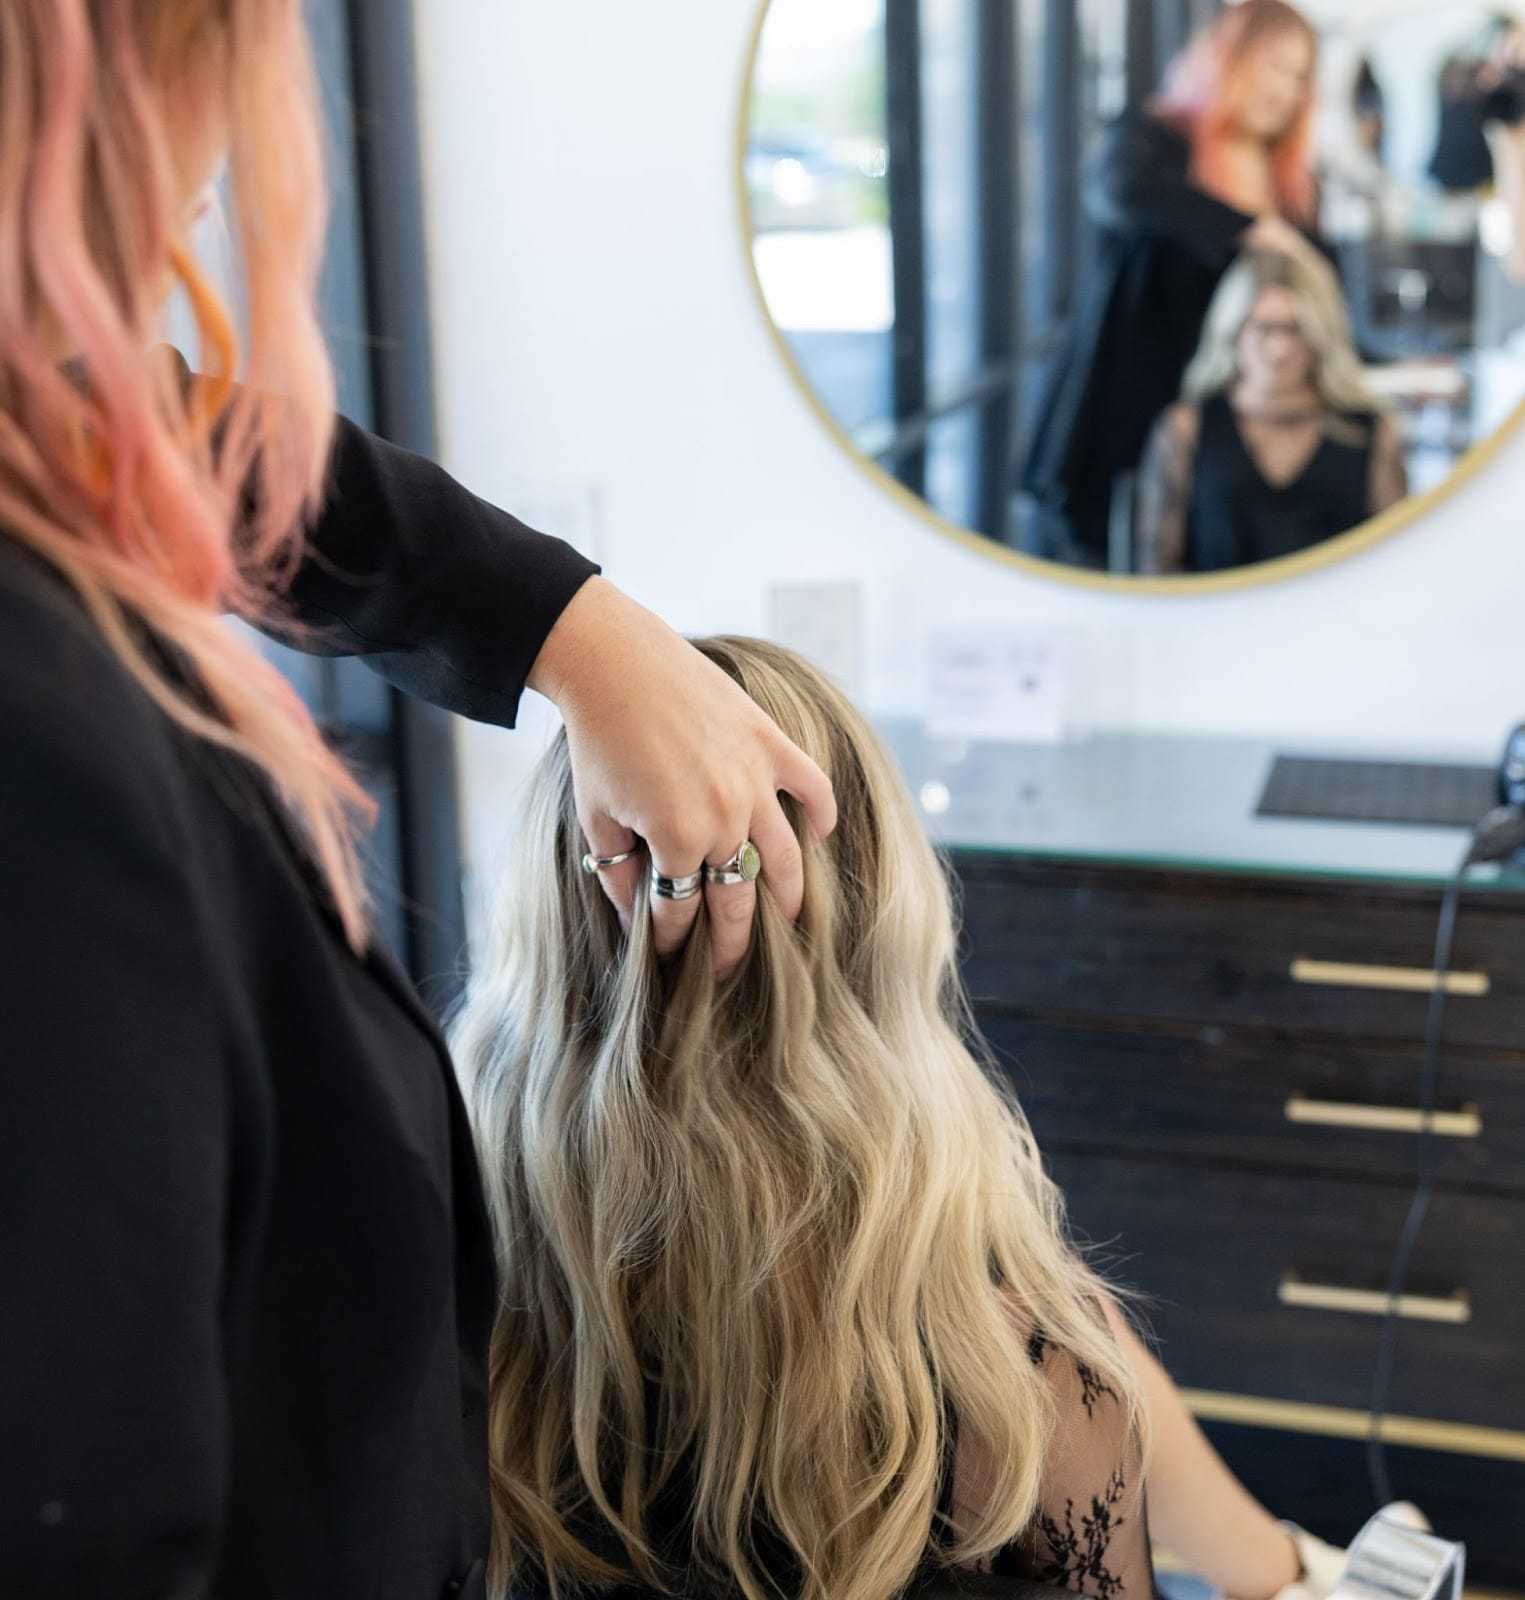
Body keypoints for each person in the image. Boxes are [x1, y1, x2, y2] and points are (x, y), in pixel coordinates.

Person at [0, 4, 834, 1596]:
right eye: (212, 74)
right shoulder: (42, 769)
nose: (218, 182)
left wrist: (572, 631)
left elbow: (146, 421)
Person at [452, 635, 1373, 1600]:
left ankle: (1291, 1577)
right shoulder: (1021, 1376)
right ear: (877, 903)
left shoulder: (432, 1253)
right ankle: (1297, 1581)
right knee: (1050, 1333)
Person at [1019, 0, 1322, 568]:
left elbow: (1311, 304)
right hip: (1126, 410)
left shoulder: (1291, 184)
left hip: (1225, 439)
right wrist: (1248, 228)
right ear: (1233, 57)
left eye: (1300, 75)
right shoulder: (1156, 140)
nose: (1287, 88)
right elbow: (1119, 192)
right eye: (1276, 66)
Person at [1135, 249, 1408, 574]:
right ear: (1233, 331)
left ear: (1321, 335)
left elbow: (1396, 565)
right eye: (1263, 328)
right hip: (1217, 621)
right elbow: (1157, 572)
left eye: (1295, 329)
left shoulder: (1370, 432)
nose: (1279, 349)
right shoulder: (1186, 430)